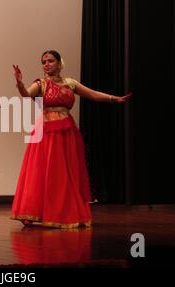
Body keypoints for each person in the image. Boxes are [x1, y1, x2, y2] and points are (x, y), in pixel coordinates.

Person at [11, 50, 132, 229]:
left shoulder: (70, 83)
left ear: (60, 63)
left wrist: (113, 98)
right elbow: (26, 95)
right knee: (47, 173)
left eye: (50, 61)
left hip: (67, 133)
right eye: (44, 62)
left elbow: (92, 94)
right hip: (47, 134)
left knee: (66, 174)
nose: (46, 64)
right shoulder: (41, 84)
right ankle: (39, 211)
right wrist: (20, 83)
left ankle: (64, 212)